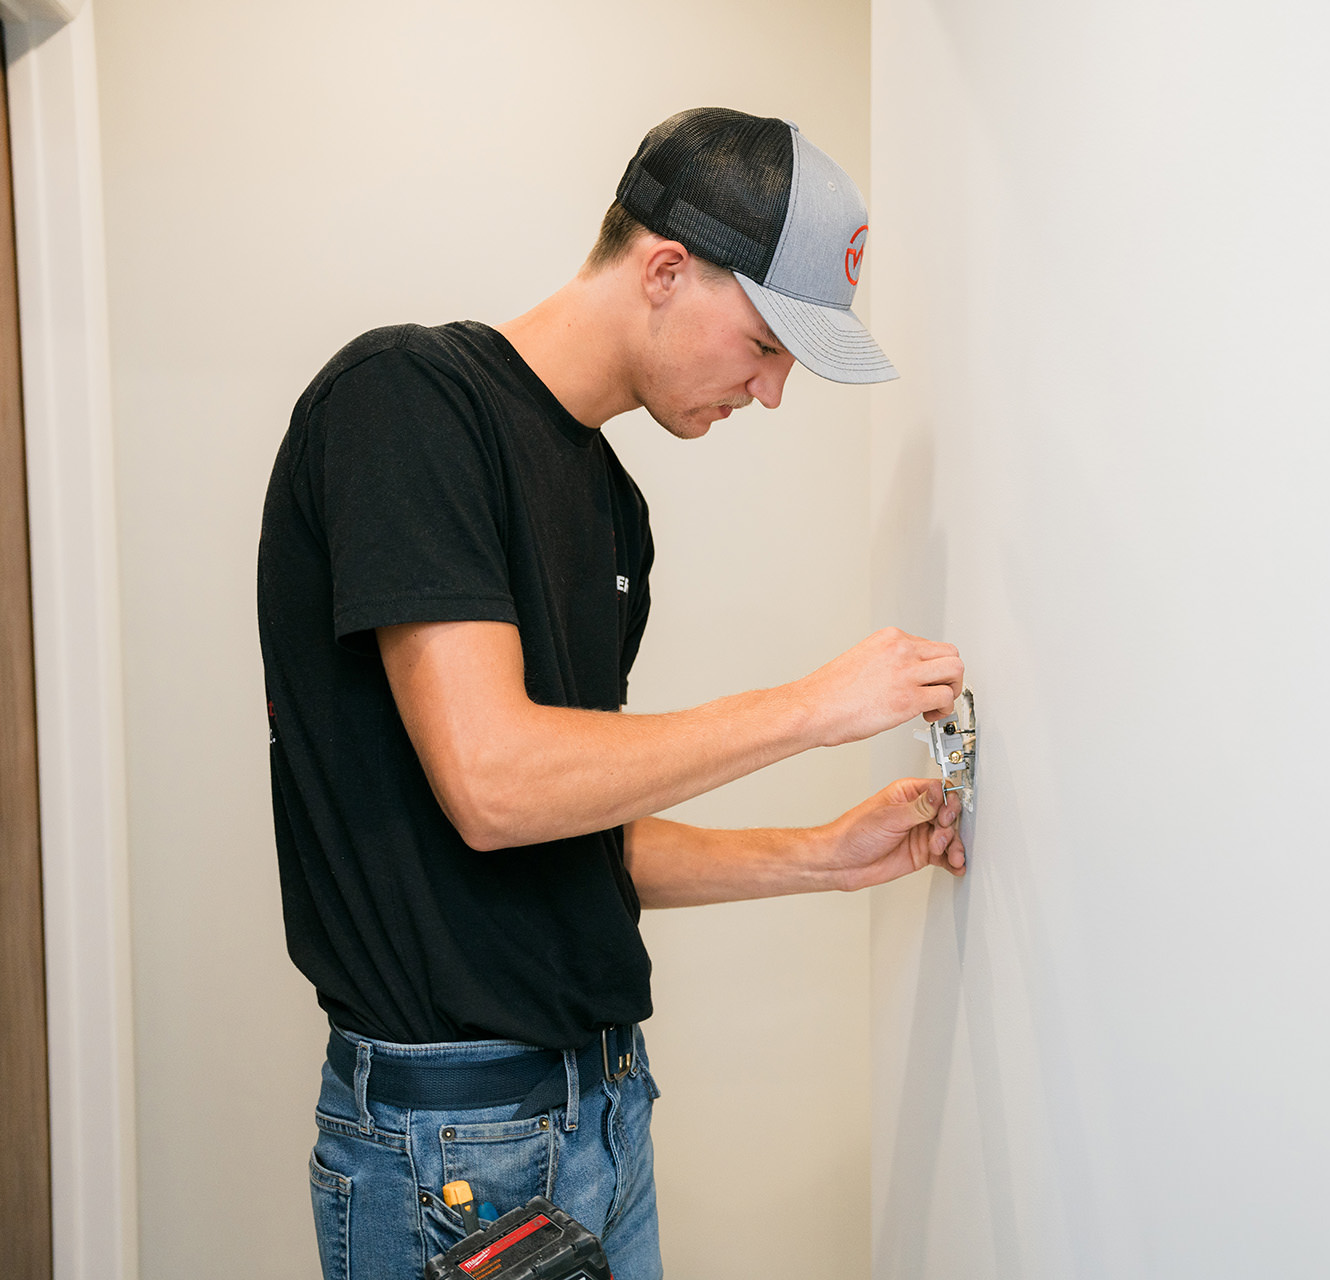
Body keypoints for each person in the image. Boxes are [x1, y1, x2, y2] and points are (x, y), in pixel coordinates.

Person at [257, 107, 964, 1280]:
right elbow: (495, 782)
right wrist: (813, 704)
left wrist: (822, 853)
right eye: (766, 343)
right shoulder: (410, 404)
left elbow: (581, 832)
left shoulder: (613, 506)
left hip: (604, 1105)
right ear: (667, 268)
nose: (773, 391)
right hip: (457, 1146)